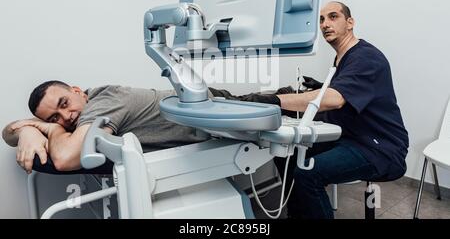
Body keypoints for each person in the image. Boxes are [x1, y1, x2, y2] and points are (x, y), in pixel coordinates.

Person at [272, 1, 409, 219]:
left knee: (308, 172)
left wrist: (273, 100)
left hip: (379, 148)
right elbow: (346, 96)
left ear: (350, 22)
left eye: (333, 17)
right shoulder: (341, 58)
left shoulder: (366, 57)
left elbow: (335, 100)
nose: (325, 24)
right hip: (350, 138)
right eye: (321, 20)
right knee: (287, 155)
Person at [2, 82, 289, 174]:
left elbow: (65, 158)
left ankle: (312, 95)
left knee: (279, 102)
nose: (66, 116)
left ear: (78, 90)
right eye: (54, 118)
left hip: (216, 107)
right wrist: (28, 130)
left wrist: (49, 131)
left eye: (65, 103)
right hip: (194, 107)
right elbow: (7, 132)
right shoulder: (81, 114)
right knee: (271, 99)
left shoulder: (102, 103)